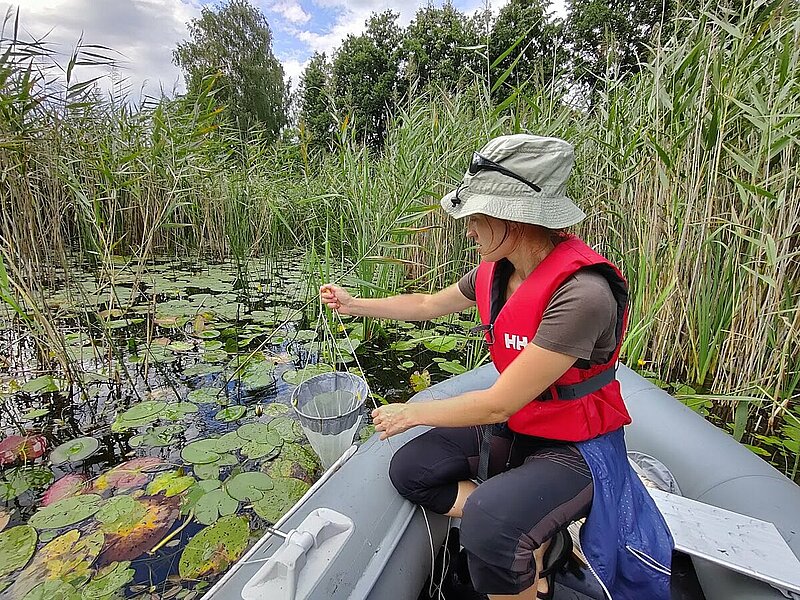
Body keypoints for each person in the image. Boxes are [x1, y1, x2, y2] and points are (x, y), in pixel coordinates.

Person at [320, 134, 673, 600]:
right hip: (524, 424)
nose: (467, 229)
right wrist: (354, 304)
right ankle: (538, 538)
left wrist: (411, 412)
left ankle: (527, 564)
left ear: (515, 217)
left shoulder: (583, 294)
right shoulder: (496, 268)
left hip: (578, 446)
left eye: (476, 217)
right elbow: (428, 303)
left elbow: (496, 403)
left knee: (488, 522)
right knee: (412, 470)